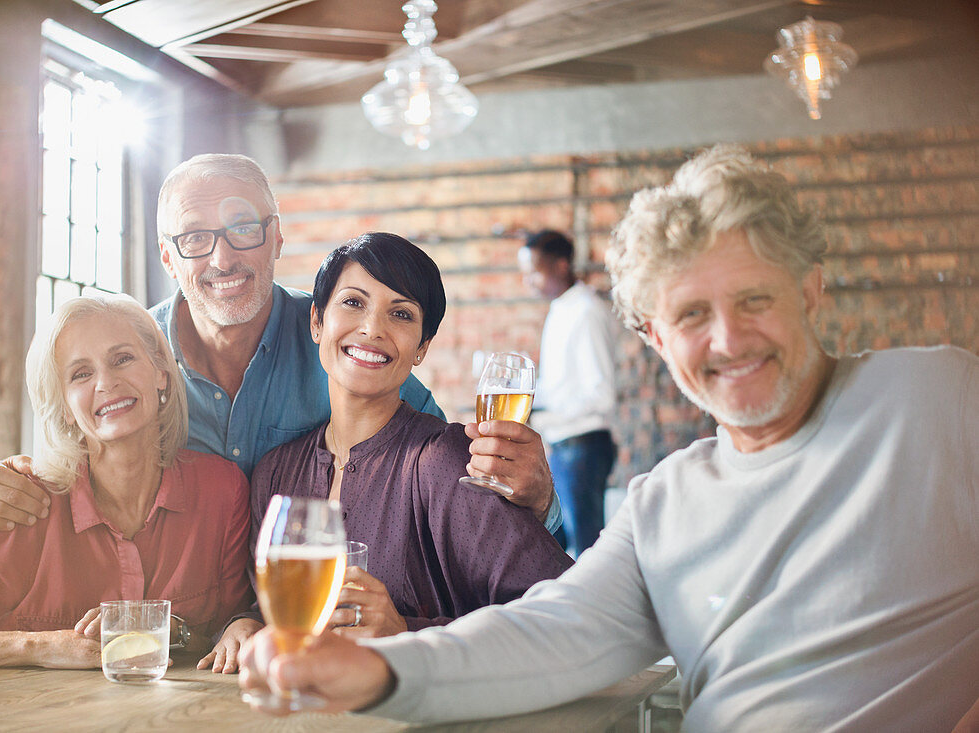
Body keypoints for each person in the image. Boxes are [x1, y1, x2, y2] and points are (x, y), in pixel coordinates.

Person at [238, 145, 979, 731]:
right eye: (691, 314)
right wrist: (377, 673)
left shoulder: (935, 397)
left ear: (811, 288)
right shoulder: (666, 502)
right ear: (655, 335)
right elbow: (554, 630)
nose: (727, 337)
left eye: (756, 299)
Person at [0, 155, 562, 666]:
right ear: (169, 257)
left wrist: (535, 502)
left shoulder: (363, 364)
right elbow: (70, 446)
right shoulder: (130, 363)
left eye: (243, 227)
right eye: (195, 237)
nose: (222, 258)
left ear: (276, 237)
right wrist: (9, 479)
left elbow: (445, 478)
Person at [209, 234, 573, 671]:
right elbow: (274, 608)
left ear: (421, 348)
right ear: (317, 323)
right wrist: (243, 623)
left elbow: (565, 613)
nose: (372, 329)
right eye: (353, 303)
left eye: (400, 314)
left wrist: (408, 633)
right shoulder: (274, 474)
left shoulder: (447, 462)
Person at [0, 294, 251, 667]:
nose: (106, 383)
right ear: (65, 408)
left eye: (122, 359)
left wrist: (172, 631)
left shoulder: (223, 491)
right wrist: (39, 647)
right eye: (81, 374)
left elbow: (234, 629)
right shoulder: (26, 504)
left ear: (161, 373)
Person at [519, 229, 619, 557]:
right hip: (563, 447)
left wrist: (544, 411)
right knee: (555, 547)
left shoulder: (587, 311)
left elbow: (602, 393)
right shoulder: (561, 309)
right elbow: (561, 385)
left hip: (583, 448)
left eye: (535, 271)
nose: (529, 281)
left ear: (561, 265)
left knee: (588, 550)